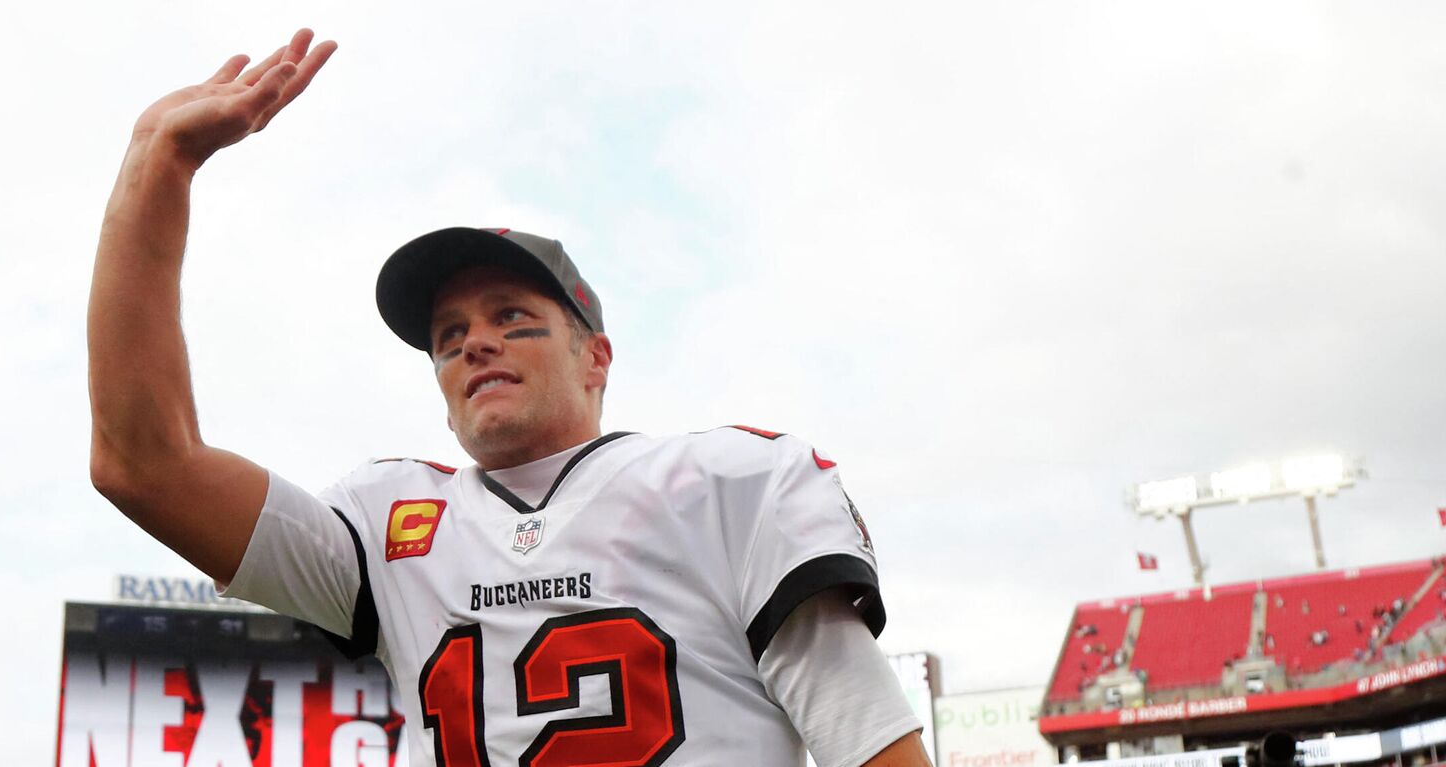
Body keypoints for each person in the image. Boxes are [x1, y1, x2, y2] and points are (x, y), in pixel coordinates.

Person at [87, 28, 928, 767]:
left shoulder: (728, 482)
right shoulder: (388, 529)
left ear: (595, 356)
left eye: (512, 318)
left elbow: (870, 741)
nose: (474, 341)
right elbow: (144, 465)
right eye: (447, 336)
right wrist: (159, 162)